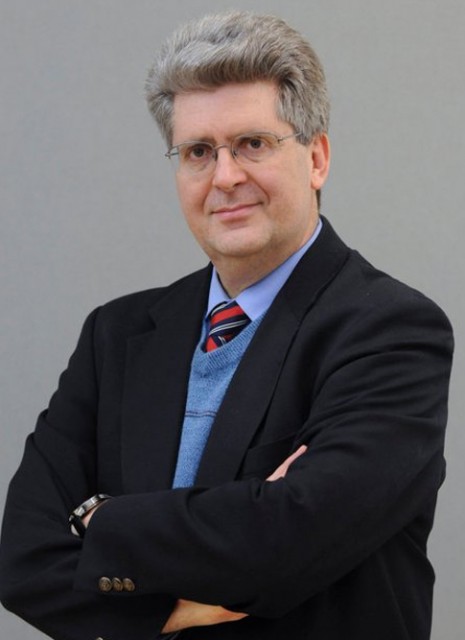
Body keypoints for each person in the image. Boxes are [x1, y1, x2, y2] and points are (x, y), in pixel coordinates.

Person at [0, 10, 453, 640]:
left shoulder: (392, 331)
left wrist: (101, 519)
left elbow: (291, 540)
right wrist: (166, 609)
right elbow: (21, 558)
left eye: (253, 143)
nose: (225, 176)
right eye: (198, 152)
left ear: (317, 158)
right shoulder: (115, 336)